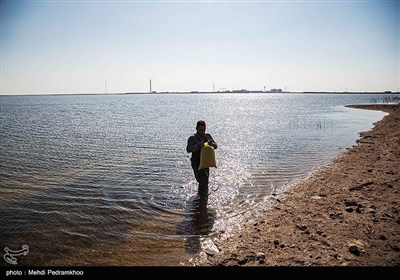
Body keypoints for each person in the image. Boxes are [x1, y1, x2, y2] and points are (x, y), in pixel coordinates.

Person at [186, 120, 217, 199]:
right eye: (201, 130)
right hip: (196, 162)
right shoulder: (192, 138)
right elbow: (188, 149)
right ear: (196, 128)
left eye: (204, 130)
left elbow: (216, 146)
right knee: (201, 180)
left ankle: (203, 198)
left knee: (205, 181)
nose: (202, 132)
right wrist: (198, 146)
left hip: (205, 162)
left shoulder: (208, 136)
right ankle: (200, 198)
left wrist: (212, 144)